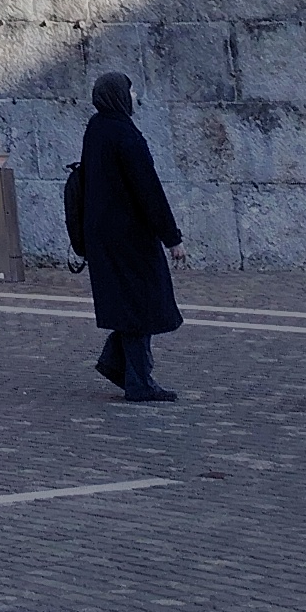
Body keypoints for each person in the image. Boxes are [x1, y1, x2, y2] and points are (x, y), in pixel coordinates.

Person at [67, 67, 186, 402]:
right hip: (129, 238)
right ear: (119, 95)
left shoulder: (96, 129)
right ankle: (138, 381)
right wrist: (172, 238)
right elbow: (148, 190)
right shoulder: (125, 135)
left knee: (129, 304)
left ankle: (117, 365)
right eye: (130, 91)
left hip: (104, 236)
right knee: (140, 306)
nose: (135, 97)